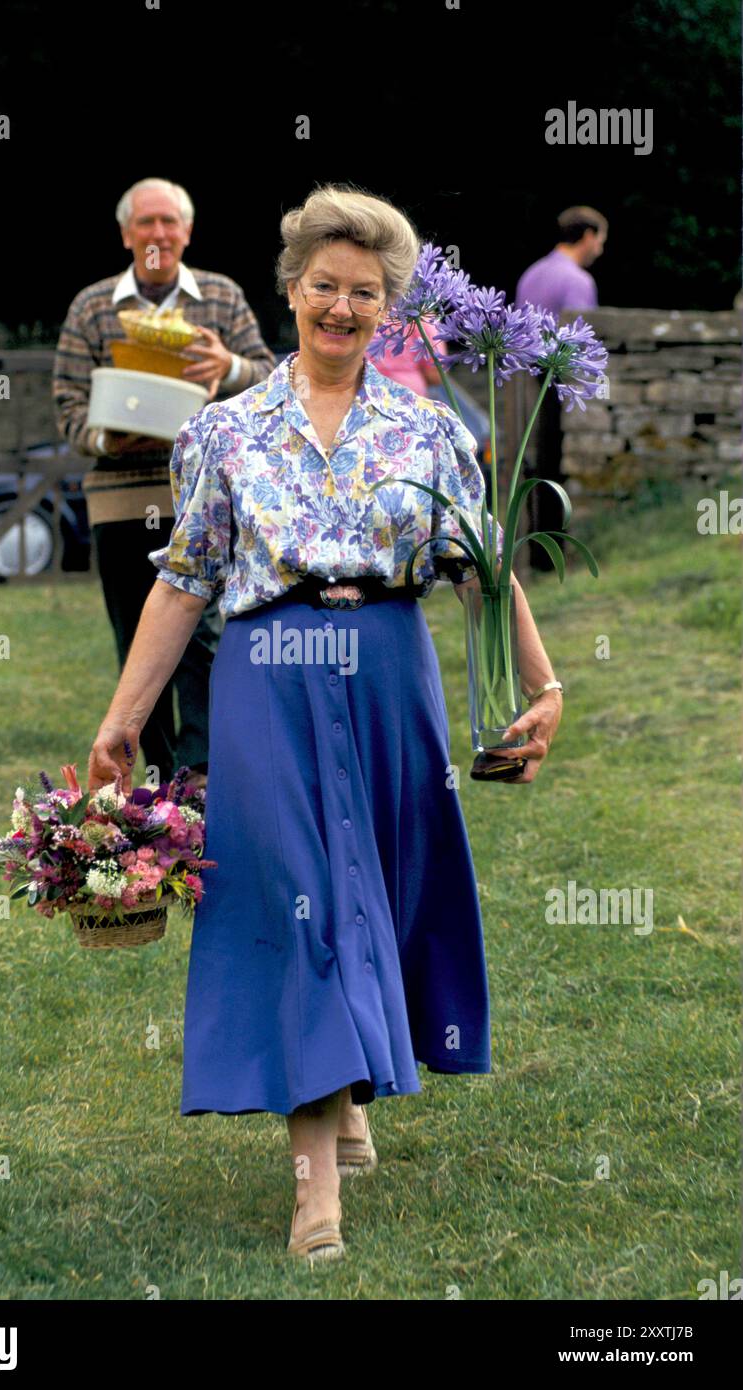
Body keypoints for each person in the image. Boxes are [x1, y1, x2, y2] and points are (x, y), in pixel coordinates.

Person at [86, 184, 564, 1262]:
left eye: (364, 293)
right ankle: (314, 1186)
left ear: (387, 308)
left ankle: (347, 1087)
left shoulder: (431, 430)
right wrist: (124, 721)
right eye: (323, 288)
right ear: (289, 290)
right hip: (267, 676)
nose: (341, 309)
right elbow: (181, 582)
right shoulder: (223, 430)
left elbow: (484, 572)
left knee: (374, 888)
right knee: (294, 900)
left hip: (391, 670)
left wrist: (544, 684)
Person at [53, 178, 275, 788]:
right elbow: (68, 406)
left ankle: (201, 770)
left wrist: (228, 366)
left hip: (205, 497)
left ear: (186, 231)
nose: (158, 234)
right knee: (135, 637)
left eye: (168, 222)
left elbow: (270, 376)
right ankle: (151, 768)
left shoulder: (222, 298)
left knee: (202, 632)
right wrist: (107, 436)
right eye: (145, 222)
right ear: (127, 234)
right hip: (121, 498)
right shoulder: (92, 306)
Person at [514, 206, 608, 568]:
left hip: (526, 379)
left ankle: (534, 552)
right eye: (600, 239)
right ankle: (552, 556)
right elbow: (581, 343)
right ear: (587, 237)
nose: (600, 247)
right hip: (559, 381)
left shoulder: (532, 274)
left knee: (535, 462)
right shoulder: (578, 281)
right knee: (558, 463)